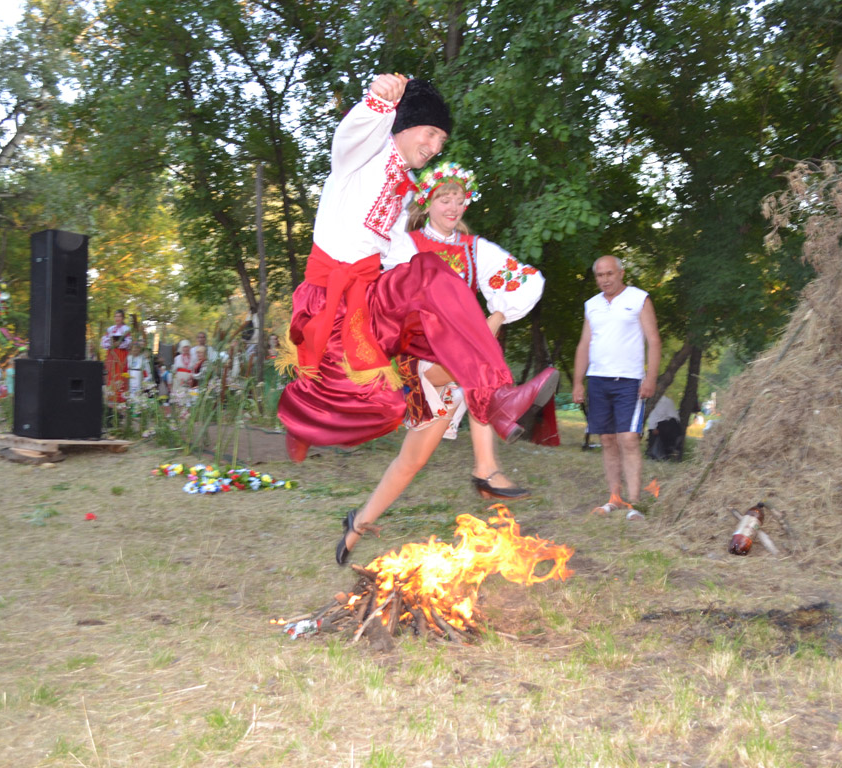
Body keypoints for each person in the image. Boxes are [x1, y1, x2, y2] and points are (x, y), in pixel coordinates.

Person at [274, 73, 558, 565]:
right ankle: (303, 417)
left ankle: (496, 398)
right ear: (403, 125)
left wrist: (482, 316)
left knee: (430, 272)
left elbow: (405, 255)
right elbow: (352, 133)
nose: (433, 145)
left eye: (441, 140)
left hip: (371, 300)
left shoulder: (409, 192)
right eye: (428, 133)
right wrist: (380, 98)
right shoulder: (362, 154)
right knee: (362, 402)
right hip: (332, 300)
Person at [383, 160, 545, 500]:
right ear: (427, 203)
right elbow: (394, 298)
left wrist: (497, 316)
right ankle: (500, 417)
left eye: (459, 199)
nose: (453, 207)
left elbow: (527, 280)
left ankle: (486, 466)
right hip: (421, 354)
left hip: (462, 353)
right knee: (476, 365)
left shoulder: (475, 249)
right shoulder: (406, 246)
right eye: (445, 199)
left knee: (411, 461)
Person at [572, 255, 661, 519]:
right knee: (608, 440)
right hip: (598, 379)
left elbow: (654, 341)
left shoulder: (639, 299)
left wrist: (651, 378)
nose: (605, 280)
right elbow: (584, 345)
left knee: (629, 439)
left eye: (609, 274)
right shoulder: (592, 305)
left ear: (621, 273)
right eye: (600, 275)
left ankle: (633, 504)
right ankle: (614, 498)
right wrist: (578, 382)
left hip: (630, 381)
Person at [101, 309, 132, 403]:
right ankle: (111, 395)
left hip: (121, 354)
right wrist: (112, 344)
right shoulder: (110, 329)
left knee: (120, 373)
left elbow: (129, 341)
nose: (117, 318)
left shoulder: (126, 329)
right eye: (116, 316)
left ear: (123, 318)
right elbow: (104, 341)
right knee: (111, 373)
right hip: (111, 353)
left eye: (119, 316)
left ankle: (121, 397)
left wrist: (120, 344)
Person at [645, 394, 683, 461]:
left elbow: (673, 417)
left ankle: (663, 455)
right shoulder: (664, 401)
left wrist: (653, 427)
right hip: (663, 429)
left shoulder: (663, 401)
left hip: (663, 429)